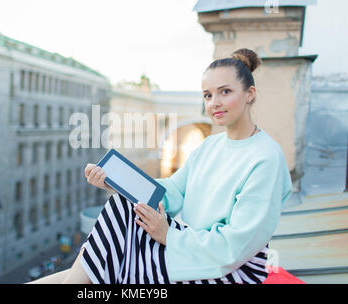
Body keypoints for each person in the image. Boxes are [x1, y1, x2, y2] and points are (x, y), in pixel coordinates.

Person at [28, 48, 292, 284]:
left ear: (250, 94)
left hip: (230, 269)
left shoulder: (265, 158)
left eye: (225, 91)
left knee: (102, 253)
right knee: (118, 213)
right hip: (190, 244)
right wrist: (117, 182)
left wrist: (169, 237)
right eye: (208, 95)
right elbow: (171, 192)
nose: (215, 103)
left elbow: (236, 246)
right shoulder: (210, 146)